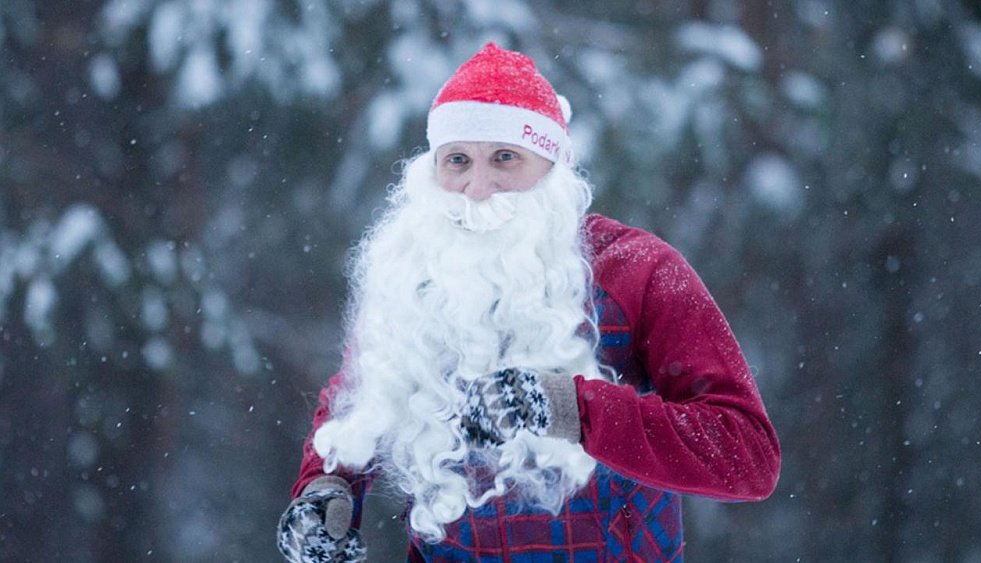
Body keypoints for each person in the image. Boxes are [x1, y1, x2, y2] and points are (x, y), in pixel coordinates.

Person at [277, 42, 780, 562]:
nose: (478, 189)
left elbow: (747, 456)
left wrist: (571, 410)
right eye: (457, 161)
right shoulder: (410, 276)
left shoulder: (638, 271)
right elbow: (361, 400)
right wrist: (325, 487)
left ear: (553, 166)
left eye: (505, 158)